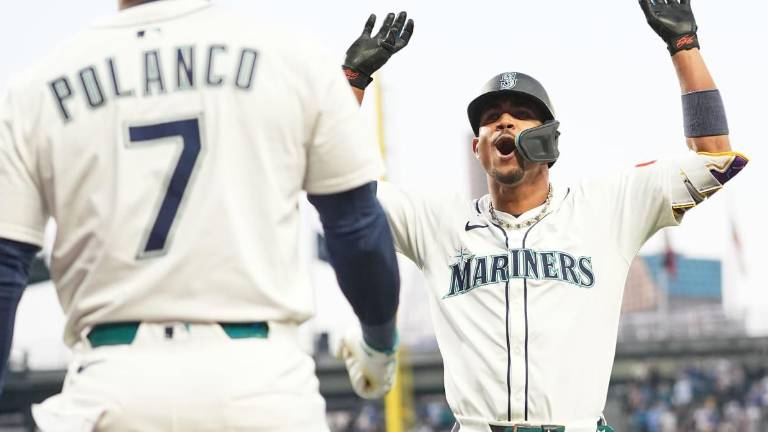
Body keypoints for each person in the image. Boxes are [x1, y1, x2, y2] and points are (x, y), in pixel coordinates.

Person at [342, 3, 748, 432]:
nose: (503, 123)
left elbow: (714, 155)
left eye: (520, 115)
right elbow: (341, 192)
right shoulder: (437, 223)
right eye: (490, 119)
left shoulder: (606, 208)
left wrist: (684, 45)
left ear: (549, 139)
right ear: (476, 147)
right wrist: (350, 83)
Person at [0, 0, 402, 430]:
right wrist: (379, 346)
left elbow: (5, 271)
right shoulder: (293, 57)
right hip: (261, 384)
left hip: (109, 385)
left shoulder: (36, 87)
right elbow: (356, 229)